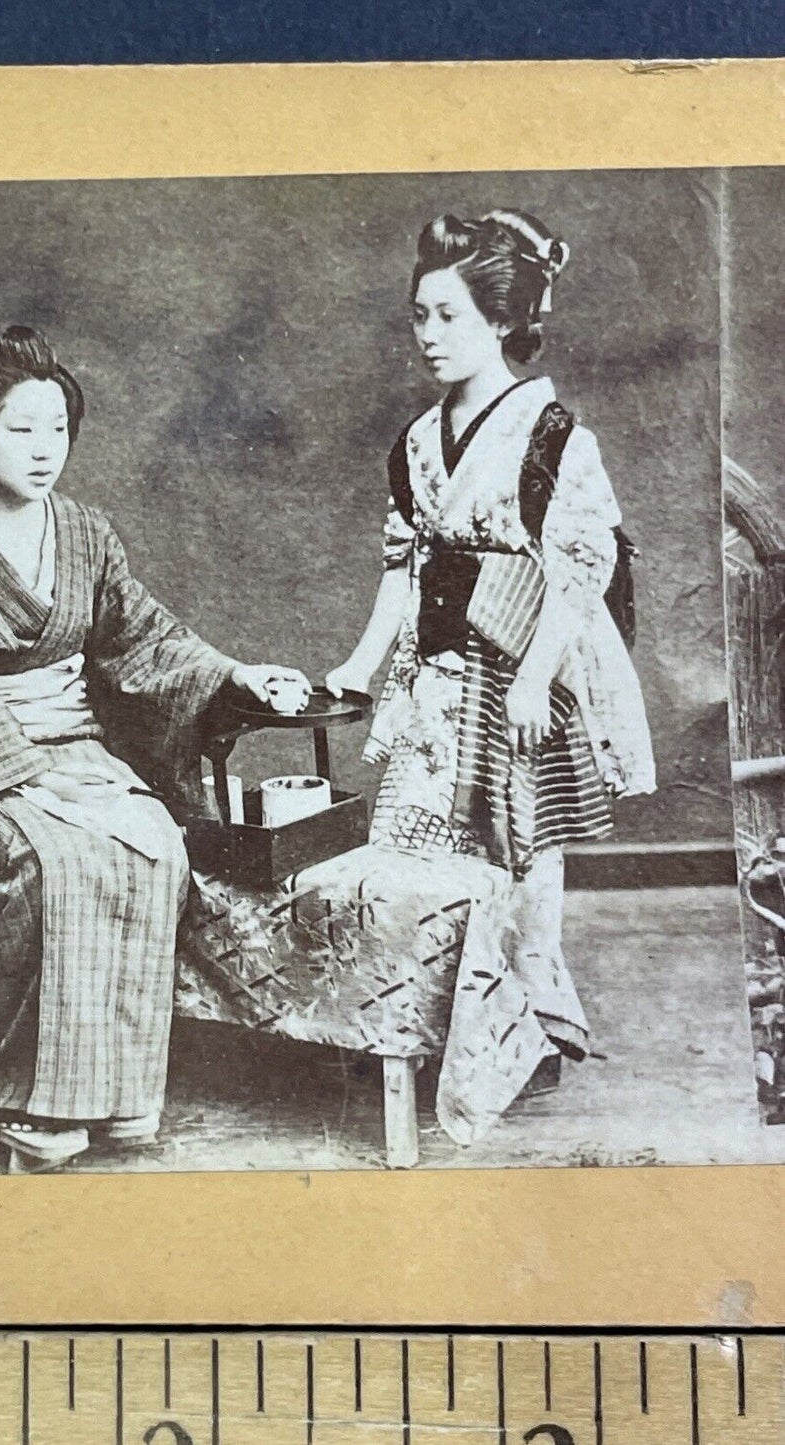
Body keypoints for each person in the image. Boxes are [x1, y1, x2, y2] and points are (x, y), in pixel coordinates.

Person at [0, 325, 309, 1170]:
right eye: (19, 429)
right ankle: (35, 1097)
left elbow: (144, 636)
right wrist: (29, 780)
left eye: (58, 430)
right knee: (58, 861)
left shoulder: (86, 534)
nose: (44, 452)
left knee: (152, 847)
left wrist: (236, 674)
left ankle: (120, 1097)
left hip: (76, 750)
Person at [325, 211, 655, 1137]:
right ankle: (416, 1028)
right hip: (437, 673)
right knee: (416, 843)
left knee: (513, 854)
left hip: (518, 666)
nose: (428, 337)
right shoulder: (417, 442)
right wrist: (356, 669)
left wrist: (532, 677)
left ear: (503, 322)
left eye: (448, 317)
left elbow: (580, 570)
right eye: (418, 318)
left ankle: (528, 1033)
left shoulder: (550, 434)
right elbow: (404, 570)